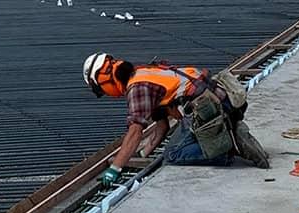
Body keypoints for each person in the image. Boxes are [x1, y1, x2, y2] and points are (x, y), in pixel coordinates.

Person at [82, 52, 270, 185]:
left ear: (104, 78)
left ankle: (226, 148)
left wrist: (115, 169)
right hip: (218, 102)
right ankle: (226, 132)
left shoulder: (137, 87)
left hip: (207, 111)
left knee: (172, 154)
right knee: (175, 144)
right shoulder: (145, 72)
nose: (104, 93)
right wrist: (141, 155)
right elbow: (162, 126)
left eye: (100, 89)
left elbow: (135, 131)